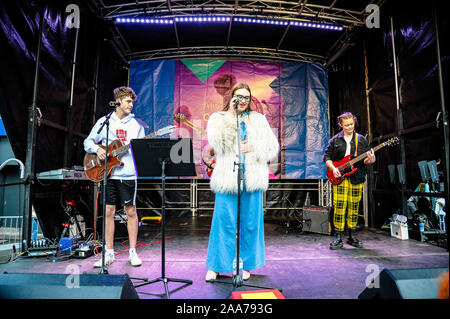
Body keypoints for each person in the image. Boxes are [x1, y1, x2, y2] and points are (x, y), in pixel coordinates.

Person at [205, 83, 279, 281]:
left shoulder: (258, 119)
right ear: (231, 97)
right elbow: (217, 143)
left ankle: (246, 264)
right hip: (227, 177)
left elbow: (272, 147)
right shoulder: (218, 118)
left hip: (252, 177)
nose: (242, 100)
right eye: (239, 96)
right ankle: (217, 265)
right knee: (223, 221)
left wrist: (253, 147)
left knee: (251, 223)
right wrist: (230, 118)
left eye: (246, 97)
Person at [84, 86, 145, 267]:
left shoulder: (136, 126)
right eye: (128, 101)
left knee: (131, 212)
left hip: (128, 174)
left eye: (132, 101)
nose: (131, 105)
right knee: (109, 212)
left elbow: (140, 149)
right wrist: (98, 149)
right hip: (108, 174)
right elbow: (88, 141)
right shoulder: (105, 121)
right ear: (117, 101)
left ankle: (132, 252)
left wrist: (136, 149)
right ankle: (109, 252)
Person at [323, 112, 376, 249]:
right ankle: (339, 237)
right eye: (346, 125)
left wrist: (371, 158)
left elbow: (367, 160)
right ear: (341, 125)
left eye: (351, 124)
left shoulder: (361, 139)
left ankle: (352, 236)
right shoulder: (335, 140)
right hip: (340, 176)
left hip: (356, 176)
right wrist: (333, 168)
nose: (350, 127)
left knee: (354, 206)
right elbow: (327, 158)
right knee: (339, 206)